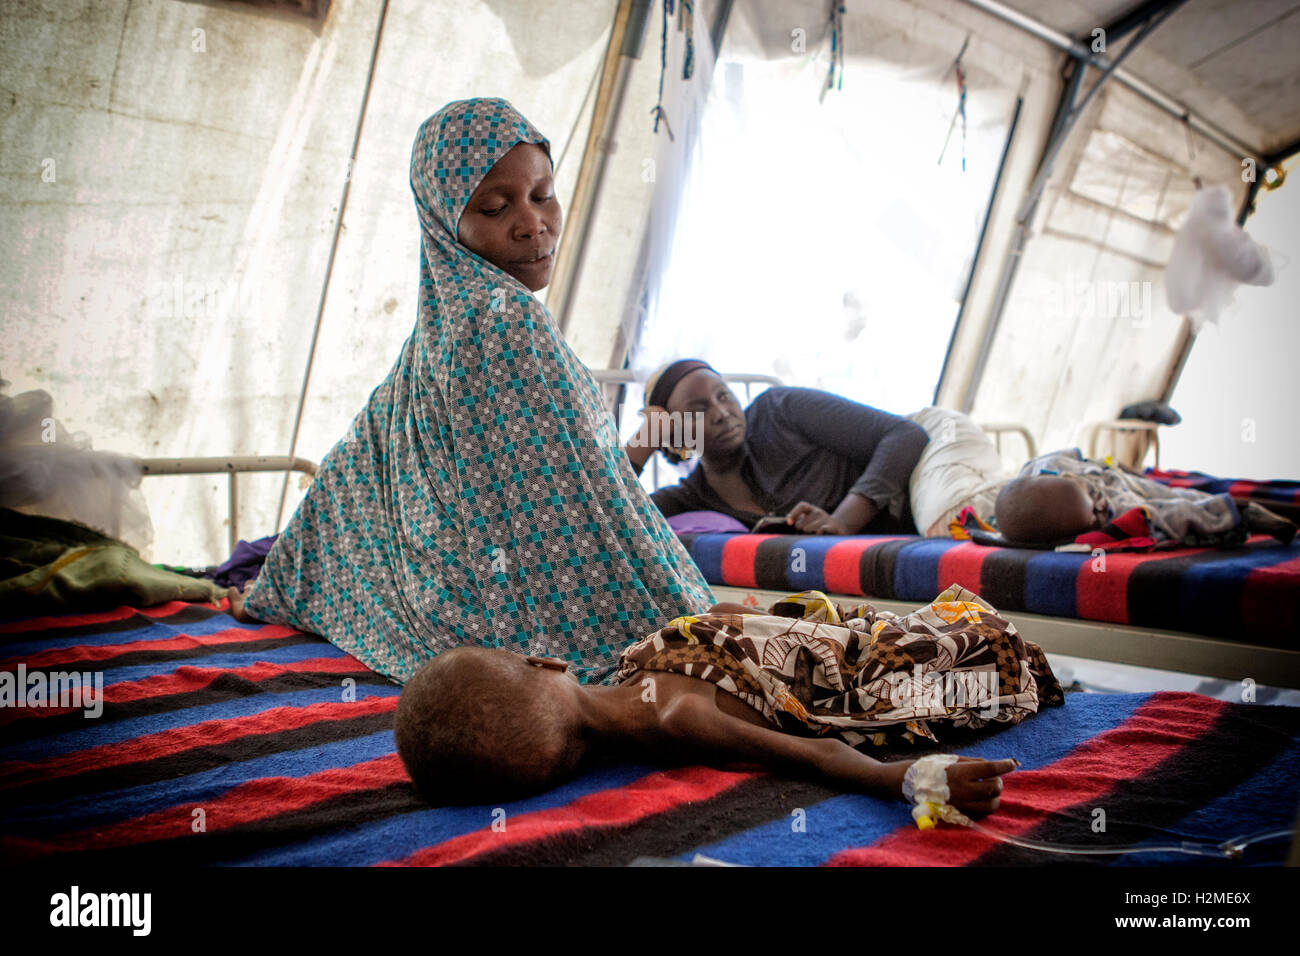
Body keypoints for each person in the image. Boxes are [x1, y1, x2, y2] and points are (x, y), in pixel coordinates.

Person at [229, 98, 714, 686]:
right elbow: (591, 514)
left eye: (543, 195)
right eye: (493, 206)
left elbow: (348, 474)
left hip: (436, 607)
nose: (533, 222)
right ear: (442, 222)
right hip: (489, 622)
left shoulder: (440, 327)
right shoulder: (503, 320)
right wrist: (689, 615)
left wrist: (282, 578)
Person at [395, 588, 1049, 810]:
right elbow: (814, 753)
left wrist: (735, 621)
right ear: (543, 662)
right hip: (924, 671)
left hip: (831, 641)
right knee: (980, 634)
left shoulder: (635, 679)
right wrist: (899, 780)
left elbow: (724, 634)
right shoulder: (676, 716)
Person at [625, 360, 929, 534]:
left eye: (724, 396)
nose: (721, 412)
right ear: (677, 434)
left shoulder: (779, 410)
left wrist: (843, 521)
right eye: (700, 409)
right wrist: (644, 440)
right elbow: (603, 516)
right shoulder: (691, 499)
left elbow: (905, 435)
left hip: (918, 496)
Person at [994, 448, 1297, 547]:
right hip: (1127, 497)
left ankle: (1251, 508)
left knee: (1178, 492)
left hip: (1118, 478)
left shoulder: (1049, 466)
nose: (1102, 505)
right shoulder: (1111, 511)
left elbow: (1084, 455)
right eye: (1095, 516)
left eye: (1091, 497)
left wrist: (1122, 467)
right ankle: (1239, 514)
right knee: (1170, 510)